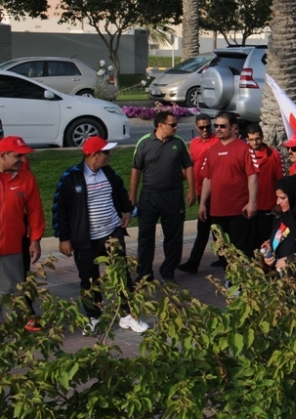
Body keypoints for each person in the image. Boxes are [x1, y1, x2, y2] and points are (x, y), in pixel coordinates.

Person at [53, 137, 148, 333]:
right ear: (94, 155)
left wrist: (128, 210)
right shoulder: (72, 177)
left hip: (112, 234)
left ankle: (127, 315)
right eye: (106, 152)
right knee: (89, 280)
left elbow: (121, 192)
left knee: (122, 275)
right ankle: (93, 317)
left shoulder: (108, 173)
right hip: (85, 239)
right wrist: (64, 238)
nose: (109, 156)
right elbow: (59, 209)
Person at [130, 110, 194, 282]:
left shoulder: (178, 143)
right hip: (149, 197)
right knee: (145, 236)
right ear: (160, 125)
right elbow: (136, 171)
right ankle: (144, 273)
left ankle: (168, 271)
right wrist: (132, 197)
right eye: (172, 125)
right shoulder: (143, 144)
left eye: (175, 124)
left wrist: (191, 190)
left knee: (173, 237)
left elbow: (188, 167)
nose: (176, 127)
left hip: (173, 196)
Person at [197, 112, 259, 260]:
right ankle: (229, 280)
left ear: (233, 127)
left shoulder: (244, 148)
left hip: (239, 210)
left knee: (240, 251)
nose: (218, 129)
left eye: (222, 126)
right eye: (216, 126)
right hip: (217, 211)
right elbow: (207, 179)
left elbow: (253, 176)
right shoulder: (211, 150)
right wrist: (202, 204)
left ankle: (243, 282)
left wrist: (252, 202)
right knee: (222, 250)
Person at [0, 136, 44, 329]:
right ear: (3, 155)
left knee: (12, 291)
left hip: (12, 246)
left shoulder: (26, 178)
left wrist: (35, 240)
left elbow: (35, 210)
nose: (22, 160)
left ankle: (13, 332)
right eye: (18, 156)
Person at [179, 113, 220, 274]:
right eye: (201, 127)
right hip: (199, 190)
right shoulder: (194, 143)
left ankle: (194, 262)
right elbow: (190, 165)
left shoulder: (217, 141)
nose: (205, 129)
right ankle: (224, 258)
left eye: (208, 126)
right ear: (196, 127)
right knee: (213, 227)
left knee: (206, 227)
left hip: (215, 191)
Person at [245, 124, 283, 248]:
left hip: (267, 205)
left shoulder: (273, 155)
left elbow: (280, 180)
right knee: (248, 240)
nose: (254, 142)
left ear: (262, 137)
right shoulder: (243, 154)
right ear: (247, 139)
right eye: (251, 139)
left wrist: (278, 203)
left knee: (264, 241)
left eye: (257, 139)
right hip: (247, 204)